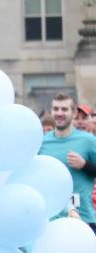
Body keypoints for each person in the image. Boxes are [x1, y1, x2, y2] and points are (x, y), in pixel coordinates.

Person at [39, 93, 96, 233]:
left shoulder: (88, 140)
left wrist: (85, 165)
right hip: (51, 221)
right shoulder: (41, 143)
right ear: (51, 111)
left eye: (64, 109)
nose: (59, 113)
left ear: (73, 112)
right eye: (56, 109)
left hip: (83, 218)